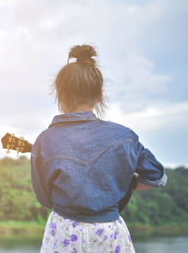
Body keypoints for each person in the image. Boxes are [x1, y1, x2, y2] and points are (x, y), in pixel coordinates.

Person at [30, 44, 167, 253]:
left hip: (63, 232)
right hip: (109, 234)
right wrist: (127, 184)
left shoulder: (45, 140)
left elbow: (44, 197)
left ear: (59, 93)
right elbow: (156, 177)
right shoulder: (125, 137)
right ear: (100, 94)